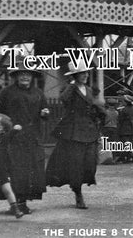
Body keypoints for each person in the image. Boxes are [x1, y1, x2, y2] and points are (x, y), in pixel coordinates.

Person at [46, 62, 105, 209]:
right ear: (75, 75)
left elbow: (93, 106)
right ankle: (78, 193)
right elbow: (64, 100)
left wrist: (99, 115)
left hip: (89, 130)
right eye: (82, 73)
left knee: (90, 163)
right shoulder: (70, 89)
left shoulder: (89, 90)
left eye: (86, 73)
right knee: (76, 164)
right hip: (74, 131)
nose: (85, 75)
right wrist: (72, 84)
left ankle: (79, 186)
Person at [0, 61, 49, 214]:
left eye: (28, 73)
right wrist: (6, 126)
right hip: (14, 137)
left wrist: (45, 113)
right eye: (22, 73)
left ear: (32, 76)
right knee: (16, 170)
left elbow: (45, 111)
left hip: (32, 136)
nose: (25, 76)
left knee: (31, 170)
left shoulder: (38, 93)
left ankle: (22, 202)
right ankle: (15, 203)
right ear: (16, 76)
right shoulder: (7, 92)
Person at [116, 95, 133, 163]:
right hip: (131, 129)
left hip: (124, 129)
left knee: (125, 143)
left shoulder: (124, 110)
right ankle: (130, 157)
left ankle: (125, 157)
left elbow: (120, 120)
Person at [102, 98, 119, 163]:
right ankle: (113, 158)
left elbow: (103, 121)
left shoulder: (105, 112)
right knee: (113, 143)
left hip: (107, 128)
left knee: (106, 143)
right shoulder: (116, 112)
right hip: (114, 128)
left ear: (108, 104)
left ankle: (107, 158)